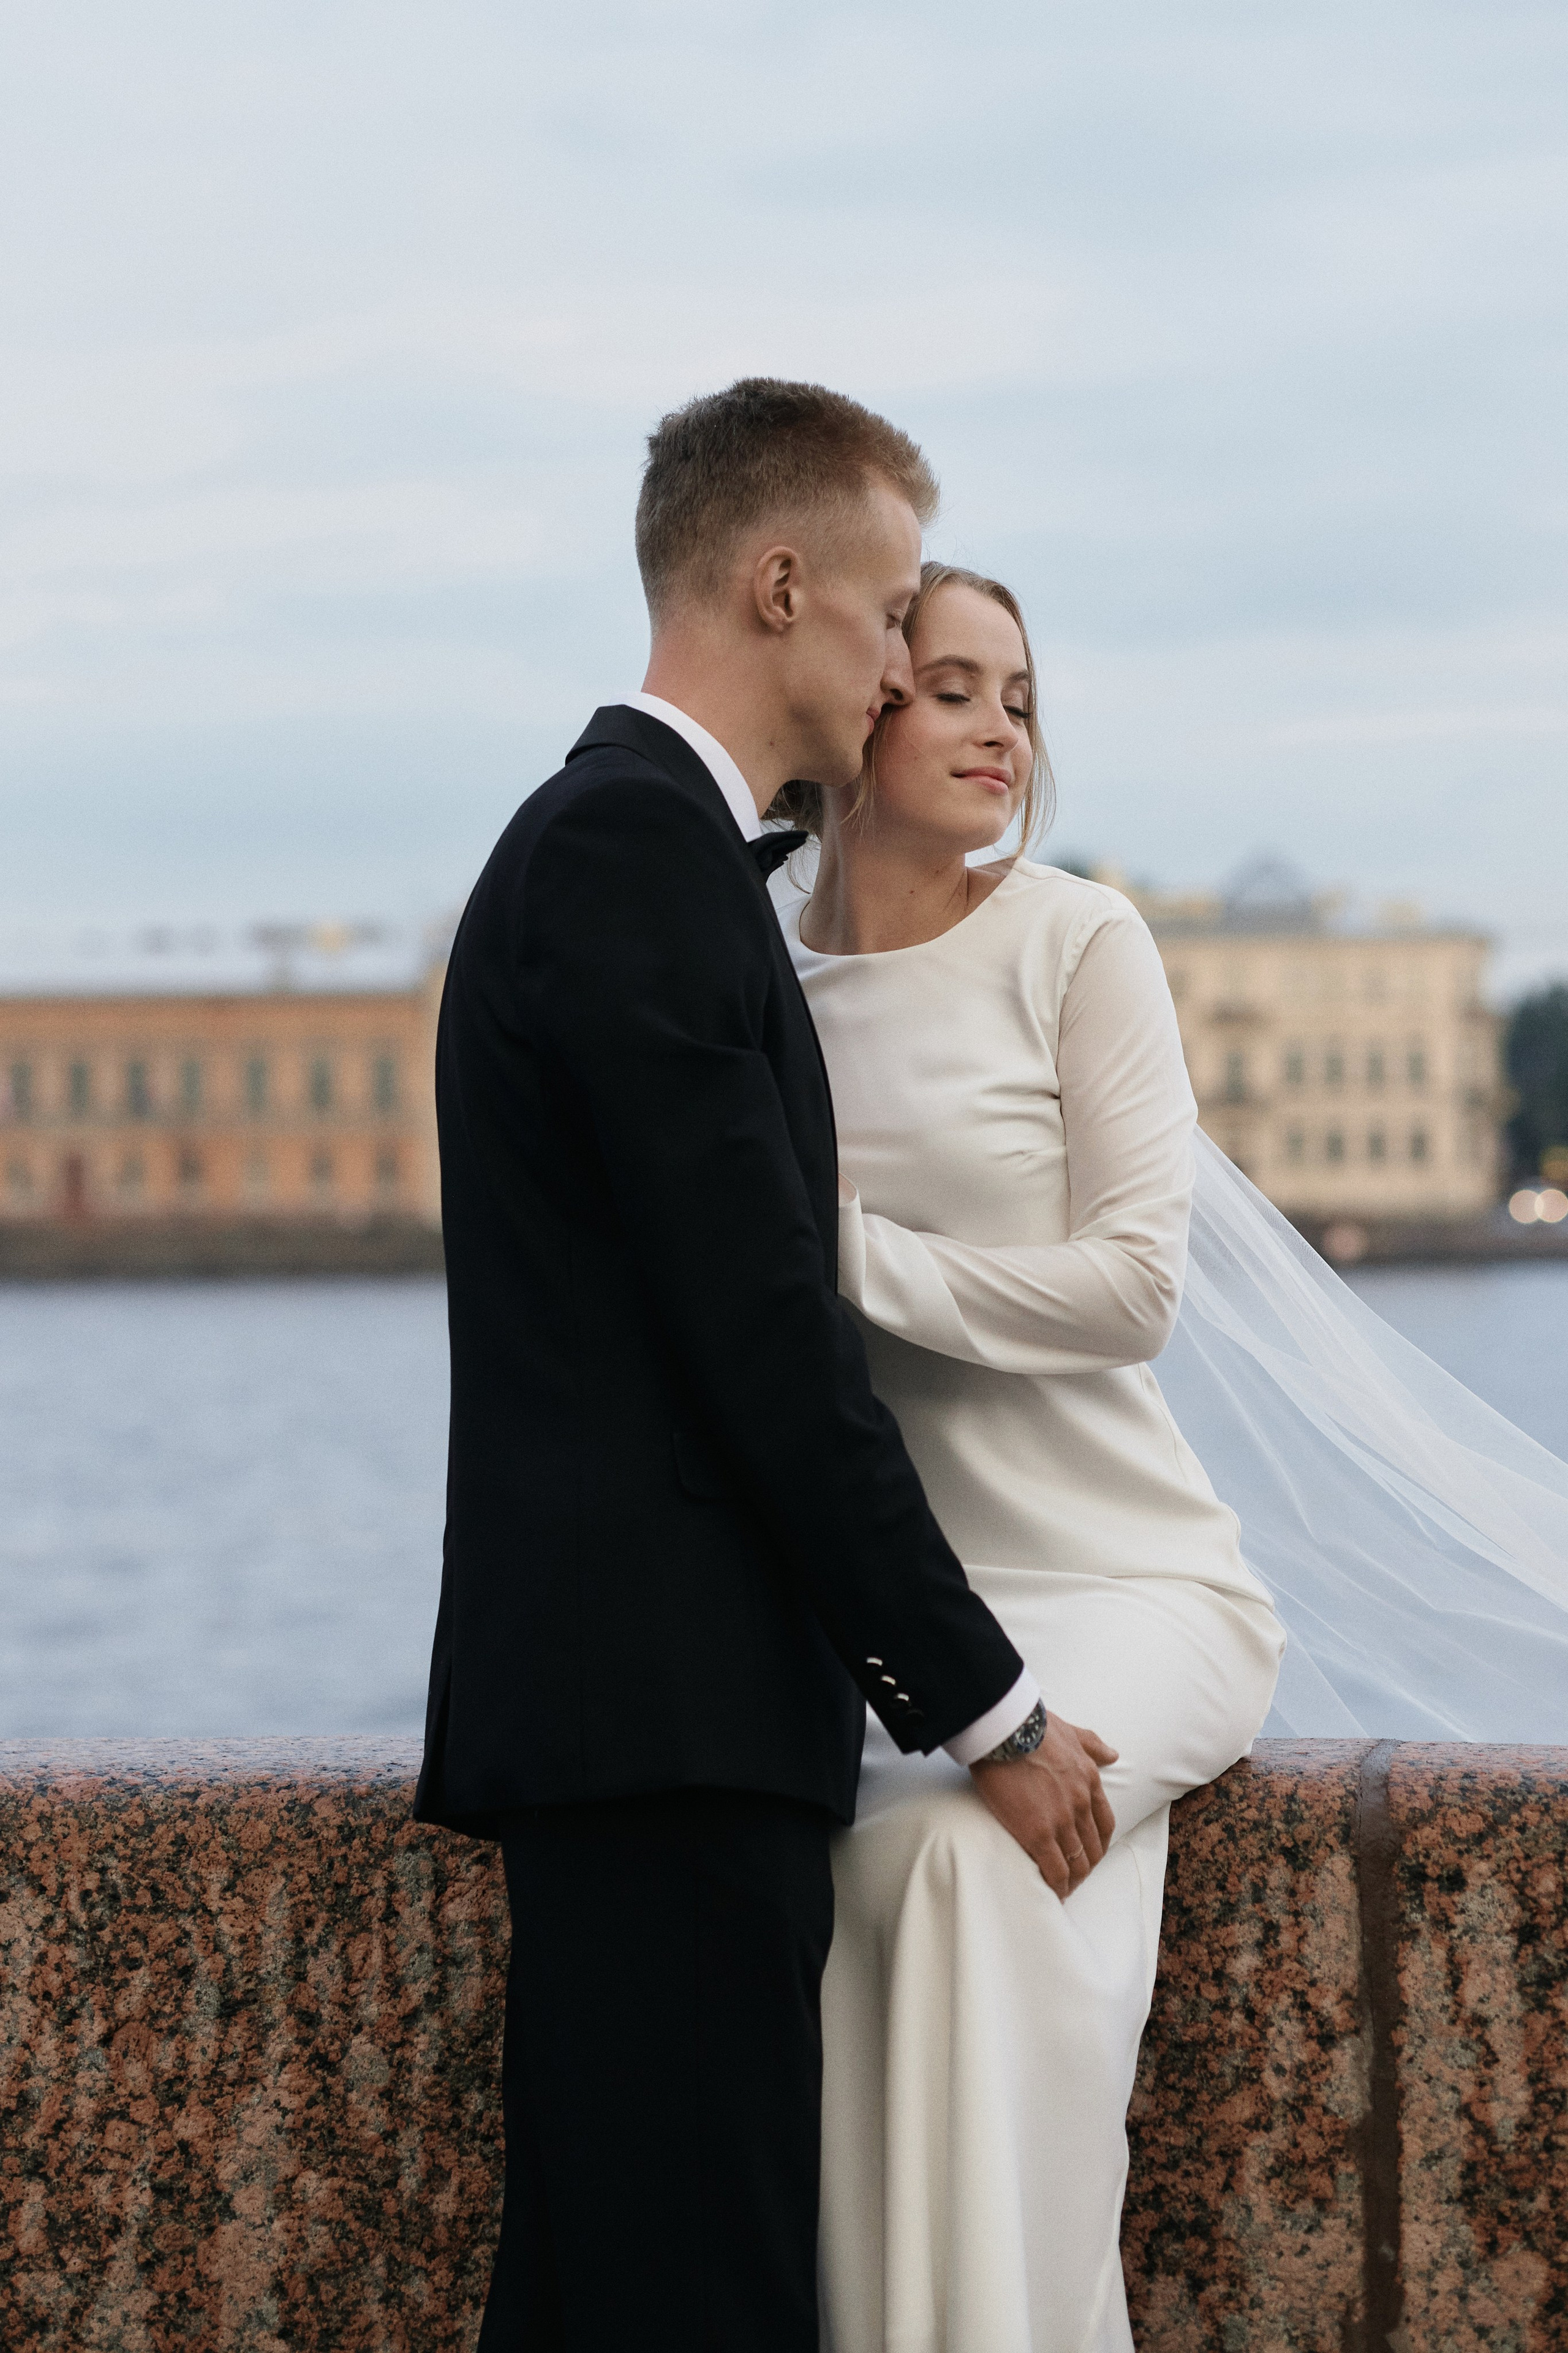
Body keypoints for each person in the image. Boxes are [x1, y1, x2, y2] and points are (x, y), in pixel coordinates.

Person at [412, 385, 1118, 2352]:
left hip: (643, 1721)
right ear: (780, 582)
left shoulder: (625, 847)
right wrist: (989, 1703)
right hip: (664, 1733)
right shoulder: (631, 856)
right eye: (892, 615)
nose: (901, 668)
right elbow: (765, 1340)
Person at [771, 562, 1286, 2353]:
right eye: (954, 687)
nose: (1002, 729)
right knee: (858, 1869)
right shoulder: (758, 972)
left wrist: (844, 1259)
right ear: (863, 703)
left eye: (1021, 697)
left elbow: (1136, 1289)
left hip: (1132, 1576)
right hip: (904, 1611)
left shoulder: (1081, 940)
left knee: (960, 1864)